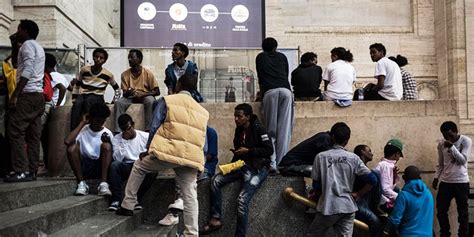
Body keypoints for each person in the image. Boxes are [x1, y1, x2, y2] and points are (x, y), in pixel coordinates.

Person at [116, 74, 209, 237]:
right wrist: (200, 162)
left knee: (139, 166)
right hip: (191, 157)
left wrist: (148, 149)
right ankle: (192, 233)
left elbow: (154, 126)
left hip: (168, 151)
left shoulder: (168, 100)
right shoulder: (202, 111)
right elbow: (203, 140)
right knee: (190, 195)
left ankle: (128, 204)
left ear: (179, 84)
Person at [200, 103, 273, 236]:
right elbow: (239, 151)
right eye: (235, 116)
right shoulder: (238, 130)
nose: (236, 119)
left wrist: (249, 151)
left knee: (241, 200)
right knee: (215, 180)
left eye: (239, 116)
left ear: (248, 117)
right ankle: (215, 218)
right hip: (241, 165)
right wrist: (232, 164)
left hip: (257, 168)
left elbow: (269, 150)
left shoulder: (259, 129)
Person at [307, 122, 375, 236]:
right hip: (348, 207)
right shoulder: (353, 158)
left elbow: (316, 185)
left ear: (332, 137)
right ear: (347, 141)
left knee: (313, 234)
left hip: (328, 206)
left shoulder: (321, 157)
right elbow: (373, 179)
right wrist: (358, 194)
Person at [5, 19, 46, 182]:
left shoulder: (28, 45)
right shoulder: (37, 47)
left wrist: (15, 95)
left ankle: (20, 170)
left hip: (27, 95)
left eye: (19, 29)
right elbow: (16, 64)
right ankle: (32, 171)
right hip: (38, 96)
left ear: (25, 31)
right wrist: (14, 45)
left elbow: (27, 70)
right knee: (33, 135)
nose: (17, 31)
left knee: (15, 130)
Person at [256, 37, 293, 175]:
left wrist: (261, 95)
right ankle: (282, 163)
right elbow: (286, 74)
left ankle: (272, 164)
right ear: (276, 47)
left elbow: (260, 78)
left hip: (270, 92)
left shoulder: (260, 57)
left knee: (270, 131)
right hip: (286, 91)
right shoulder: (282, 57)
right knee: (284, 131)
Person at [108, 114, 156, 211]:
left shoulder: (145, 136)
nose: (126, 132)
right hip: (127, 166)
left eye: (128, 128)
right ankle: (116, 199)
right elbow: (117, 159)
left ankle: (136, 199)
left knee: (153, 171)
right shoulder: (117, 139)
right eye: (123, 130)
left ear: (133, 125)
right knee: (114, 165)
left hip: (141, 165)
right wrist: (124, 141)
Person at [64, 102, 113, 196]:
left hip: (100, 166)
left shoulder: (107, 133)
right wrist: (82, 123)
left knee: (106, 146)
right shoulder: (83, 129)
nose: (99, 124)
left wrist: (108, 143)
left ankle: (103, 184)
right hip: (84, 165)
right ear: (91, 118)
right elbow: (67, 141)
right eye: (96, 120)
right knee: (72, 148)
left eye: (102, 121)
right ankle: (81, 183)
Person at [432, 121, 472, 237]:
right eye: (445, 136)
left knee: (463, 213)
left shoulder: (466, 141)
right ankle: (445, 234)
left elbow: (463, 160)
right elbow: (440, 163)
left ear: (456, 132)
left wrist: (452, 147)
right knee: (441, 211)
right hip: (446, 182)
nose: (447, 138)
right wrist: (436, 178)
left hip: (461, 182)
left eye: (450, 135)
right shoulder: (441, 144)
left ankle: (463, 235)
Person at [70, 48, 119, 130]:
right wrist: (74, 98)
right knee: (77, 104)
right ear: (93, 57)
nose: (98, 59)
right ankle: (74, 131)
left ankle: (90, 129)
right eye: (96, 56)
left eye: (101, 58)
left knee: (89, 101)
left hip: (97, 96)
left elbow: (117, 89)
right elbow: (77, 85)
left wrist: (114, 101)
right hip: (84, 95)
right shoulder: (84, 70)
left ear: (104, 61)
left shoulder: (108, 74)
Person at [114, 49, 159, 133]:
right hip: (131, 97)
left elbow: (157, 91)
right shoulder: (124, 74)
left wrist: (143, 94)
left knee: (150, 101)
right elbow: (124, 94)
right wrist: (129, 92)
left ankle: (148, 130)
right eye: (128, 57)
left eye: (132, 57)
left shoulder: (148, 73)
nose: (129, 59)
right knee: (119, 103)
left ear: (139, 59)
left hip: (145, 96)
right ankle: (118, 130)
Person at [40, 53, 71, 171]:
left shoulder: (50, 76)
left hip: (51, 108)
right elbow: (70, 88)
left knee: (43, 136)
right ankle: (47, 164)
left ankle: (46, 165)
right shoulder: (61, 75)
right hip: (59, 111)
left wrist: (57, 104)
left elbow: (62, 89)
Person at [388, 166, 434, 237]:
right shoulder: (428, 194)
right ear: (420, 178)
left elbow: (394, 221)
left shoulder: (403, 195)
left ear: (404, 177)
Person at [353, 144, 384, 237]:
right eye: (369, 151)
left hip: (366, 203)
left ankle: (376, 207)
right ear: (362, 152)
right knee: (376, 222)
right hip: (357, 203)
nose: (372, 154)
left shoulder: (366, 170)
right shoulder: (357, 167)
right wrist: (358, 194)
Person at [374, 138, 404, 213]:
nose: (398, 158)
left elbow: (390, 186)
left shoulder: (385, 165)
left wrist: (395, 176)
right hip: (383, 202)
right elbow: (385, 189)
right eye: (399, 156)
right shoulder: (386, 166)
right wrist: (401, 198)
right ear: (397, 154)